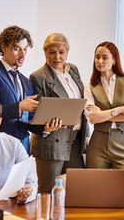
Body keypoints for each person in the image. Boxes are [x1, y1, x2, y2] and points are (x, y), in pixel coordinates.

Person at [0, 25, 61, 155]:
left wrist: (46, 128)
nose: (22, 54)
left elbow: (28, 119)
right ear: (4, 48)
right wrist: (20, 107)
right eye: (16, 49)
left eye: (25, 49)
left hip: (23, 148)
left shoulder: (26, 82)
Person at [29, 33, 90, 193]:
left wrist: (87, 134)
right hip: (51, 142)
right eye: (51, 52)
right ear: (45, 52)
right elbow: (36, 113)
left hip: (76, 140)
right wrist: (48, 124)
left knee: (77, 191)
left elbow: (81, 105)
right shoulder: (38, 77)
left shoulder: (73, 70)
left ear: (67, 52)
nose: (57, 57)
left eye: (61, 52)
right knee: (48, 192)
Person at [84, 41, 124, 198]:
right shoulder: (89, 87)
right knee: (95, 195)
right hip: (98, 145)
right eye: (97, 57)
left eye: (104, 57)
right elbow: (93, 118)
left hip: (123, 143)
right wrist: (120, 109)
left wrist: (104, 113)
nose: (100, 61)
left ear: (114, 59)